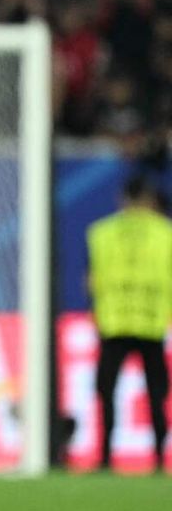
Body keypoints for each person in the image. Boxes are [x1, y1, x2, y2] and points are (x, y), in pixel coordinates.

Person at [88, 176, 172, 473]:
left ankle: (106, 457)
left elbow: (91, 280)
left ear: (122, 199)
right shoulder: (165, 233)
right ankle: (160, 459)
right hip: (151, 324)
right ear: (150, 201)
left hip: (114, 323)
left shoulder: (101, 232)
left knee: (106, 391)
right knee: (157, 393)